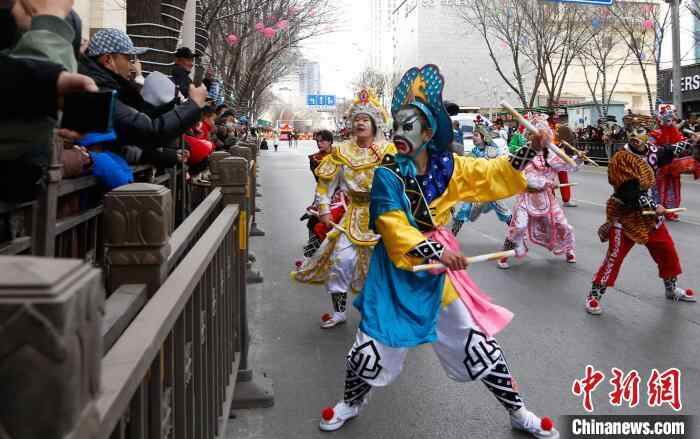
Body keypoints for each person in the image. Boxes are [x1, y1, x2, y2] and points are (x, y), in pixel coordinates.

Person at [318, 65, 559, 439]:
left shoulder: (451, 167)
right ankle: (351, 402)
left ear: (428, 133)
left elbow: (494, 172)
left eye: (408, 127)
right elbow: (392, 223)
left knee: (475, 341)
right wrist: (435, 251)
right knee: (371, 346)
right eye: (397, 126)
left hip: (439, 272)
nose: (399, 134)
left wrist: (532, 145)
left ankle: (517, 410)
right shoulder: (387, 173)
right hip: (396, 271)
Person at [292, 88, 395, 329]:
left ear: (374, 124)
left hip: (383, 217)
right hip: (352, 217)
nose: (360, 123)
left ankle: (379, 312)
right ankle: (339, 312)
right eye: (357, 119)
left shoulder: (388, 151)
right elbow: (325, 185)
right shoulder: (341, 152)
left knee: (381, 268)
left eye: (365, 119)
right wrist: (324, 209)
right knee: (340, 261)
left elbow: (401, 185)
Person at [586, 123, 697, 315]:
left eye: (639, 132)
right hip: (625, 214)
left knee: (667, 250)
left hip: (650, 217)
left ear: (647, 134)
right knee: (614, 256)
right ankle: (594, 295)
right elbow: (629, 192)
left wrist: (692, 141)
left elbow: (670, 150)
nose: (635, 136)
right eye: (631, 132)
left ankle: (671, 289)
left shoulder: (652, 151)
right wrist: (655, 206)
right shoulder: (620, 159)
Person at [79, 29, 207, 153]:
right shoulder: (100, 94)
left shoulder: (108, 89)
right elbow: (148, 132)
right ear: (108, 60)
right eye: (129, 59)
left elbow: (143, 117)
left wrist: (173, 106)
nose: (132, 67)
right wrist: (192, 106)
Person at [498, 116, 583, 269]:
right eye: (533, 134)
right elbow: (519, 173)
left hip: (546, 198)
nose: (536, 137)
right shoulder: (523, 152)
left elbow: (567, 165)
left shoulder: (550, 153)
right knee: (519, 226)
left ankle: (568, 249)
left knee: (563, 225)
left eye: (540, 134)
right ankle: (504, 255)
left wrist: (578, 159)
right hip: (526, 197)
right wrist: (542, 183)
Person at [452, 125, 512, 235]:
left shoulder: (493, 151)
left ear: (484, 137)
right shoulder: (474, 151)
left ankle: (515, 236)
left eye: (476, 135)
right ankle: (451, 236)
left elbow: (497, 169)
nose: (473, 137)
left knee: (503, 212)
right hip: (476, 188)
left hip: (491, 188)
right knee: (464, 209)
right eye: (473, 135)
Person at [298, 130, 343, 258]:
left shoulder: (340, 155)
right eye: (317, 141)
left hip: (342, 194)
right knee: (314, 221)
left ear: (330, 142)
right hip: (325, 192)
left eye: (322, 141)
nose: (319, 143)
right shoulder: (314, 159)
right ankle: (313, 247)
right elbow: (320, 180)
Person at [650, 105, 696, 221]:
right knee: (659, 189)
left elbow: (684, 146)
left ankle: (671, 212)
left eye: (672, 119)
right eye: (667, 119)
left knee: (673, 189)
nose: (670, 122)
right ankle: (658, 211)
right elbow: (651, 149)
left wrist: (692, 141)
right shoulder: (655, 133)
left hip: (674, 166)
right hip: (660, 166)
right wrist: (667, 149)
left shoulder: (677, 133)